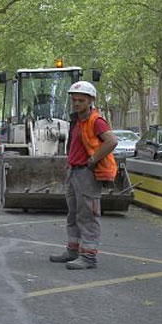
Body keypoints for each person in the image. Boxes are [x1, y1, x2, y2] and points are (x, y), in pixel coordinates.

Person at [49, 81, 118, 270]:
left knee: (88, 215)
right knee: (74, 214)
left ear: (90, 101)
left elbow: (111, 141)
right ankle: (73, 251)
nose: (76, 103)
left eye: (81, 100)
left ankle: (88, 257)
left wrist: (93, 159)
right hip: (75, 171)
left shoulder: (96, 121)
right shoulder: (78, 121)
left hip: (88, 174)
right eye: (74, 100)